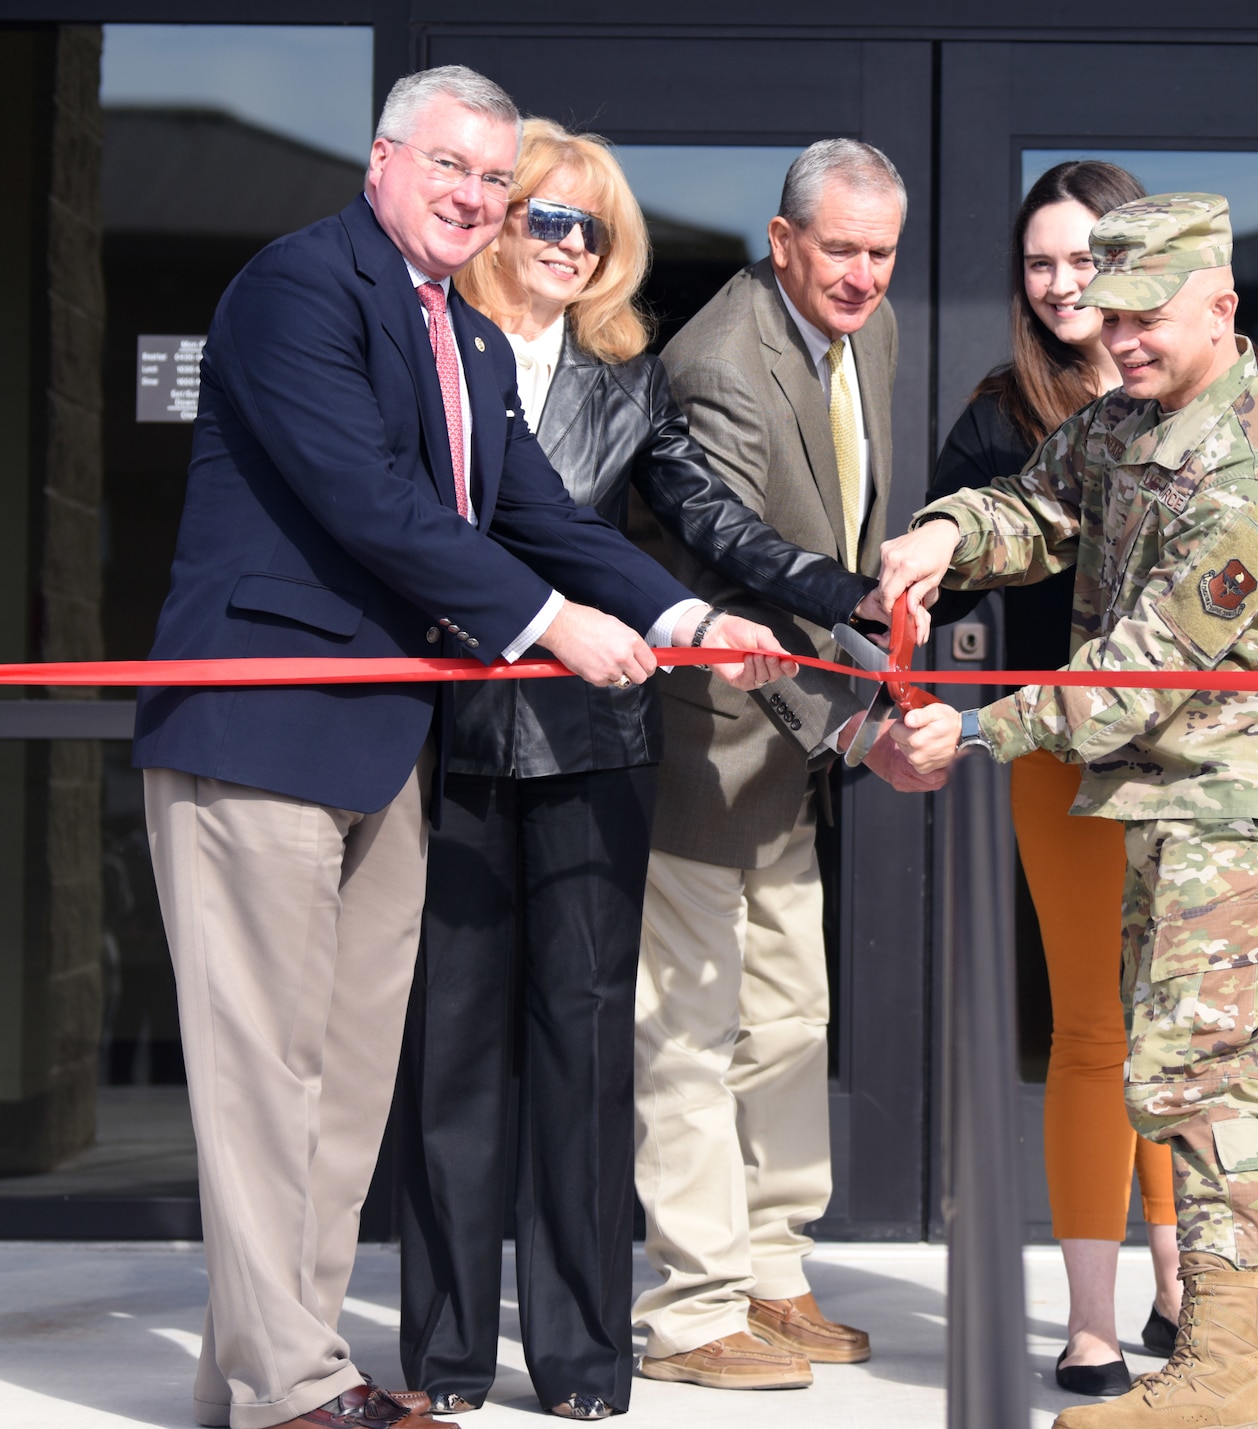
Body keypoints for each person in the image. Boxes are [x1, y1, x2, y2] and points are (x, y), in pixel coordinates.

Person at [132, 66, 788, 1429]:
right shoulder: (299, 289)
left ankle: (256, 1379)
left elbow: (541, 512)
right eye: (454, 168)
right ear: (383, 160)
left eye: (497, 180)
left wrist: (683, 612)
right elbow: (365, 498)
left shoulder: (472, 344)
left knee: (345, 1089)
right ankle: (296, 1388)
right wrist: (554, 626)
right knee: (267, 1083)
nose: (477, 199)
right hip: (259, 731)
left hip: (381, 749)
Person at [392, 119, 886, 1422]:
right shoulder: (433, 352)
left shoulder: (627, 377)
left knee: (585, 1051)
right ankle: (444, 1358)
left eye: (590, 227)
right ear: (496, 226)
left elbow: (703, 518)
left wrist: (829, 594)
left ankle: (582, 1361)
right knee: (454, 1057)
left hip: (599, 743)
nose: (566, 243)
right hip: (452, 746)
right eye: (544, 218)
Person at [875, 194, 1258, 1429]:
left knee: (1203, 1082)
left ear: (1220, 308)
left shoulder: (1252, 466)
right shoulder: (1128, 418)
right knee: (1213, 1073)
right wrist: (939, 533)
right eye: (1113, 313)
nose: (1123, 337)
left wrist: (983, 727)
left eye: (1149, 317)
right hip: (1168, 797)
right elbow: (1037, 508)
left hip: (1243, 804)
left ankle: (1216, 1372)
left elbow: (1141, 665)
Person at [628, 138, 936, 1392]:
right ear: (783, 240)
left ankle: (772, 1274)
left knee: (791, 1018)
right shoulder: (717, 361)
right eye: (842, 251)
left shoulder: (871, 334)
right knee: (691, 1033)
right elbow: (737, 546)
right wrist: (858, 651)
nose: (864, 276)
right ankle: (692, 1310)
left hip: (792, 742)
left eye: (881, 253)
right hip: (705, 740)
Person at [922, 159, 1184, 1398]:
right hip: (1063, 756)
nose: (1062, 281)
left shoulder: (1205, 401)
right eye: (1038, 261)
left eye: (1083, 255)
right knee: (1093, 1028)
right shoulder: (995, 416)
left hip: (1192, 761)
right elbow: (958, 571)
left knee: (1178, 1034)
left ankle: (1182, 1282)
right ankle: (1090, 1322)